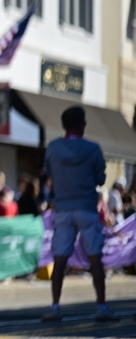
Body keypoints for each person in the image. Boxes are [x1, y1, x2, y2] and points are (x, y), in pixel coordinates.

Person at [41, 106, 115, 322]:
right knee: (95, 258)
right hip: (86, 208)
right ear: (82, 124)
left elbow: (49, 174)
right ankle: (101, 306)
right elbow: (100, 179)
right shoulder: (93, 148)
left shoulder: (53, 148)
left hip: (63, 208)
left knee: (60, 259)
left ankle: (55, 306)